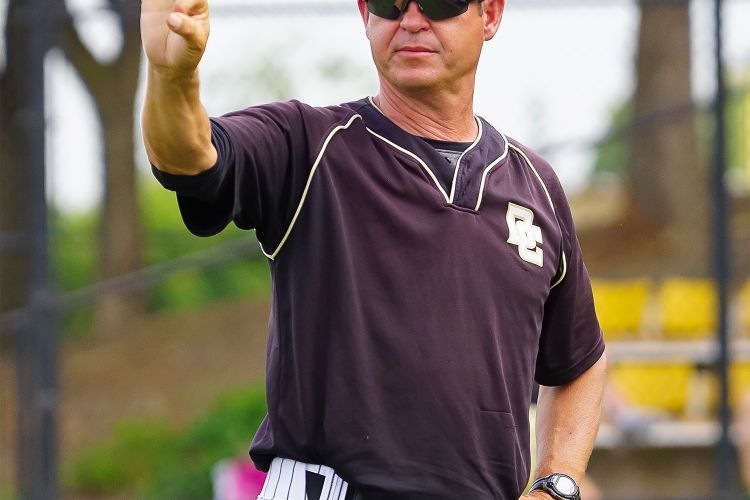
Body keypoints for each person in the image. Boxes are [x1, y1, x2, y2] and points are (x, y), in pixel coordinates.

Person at [140, 0, 608, 498]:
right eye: (389, 2)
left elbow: (579, 359)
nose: (411, 20)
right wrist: (173, 78)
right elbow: (188, 155)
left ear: (490, 14)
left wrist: (557, 483)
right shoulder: (308, 145)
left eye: (440, 2)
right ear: (365, 14)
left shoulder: (535, 187)